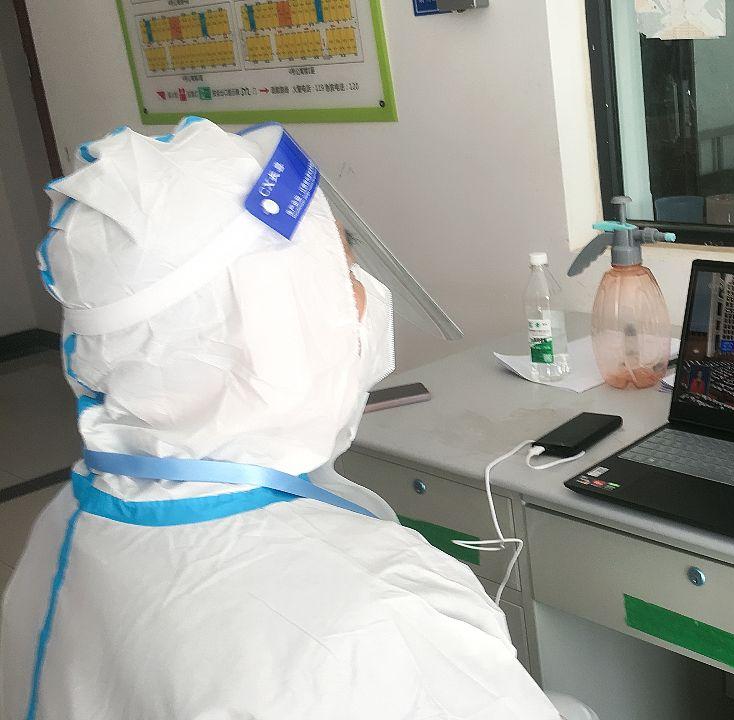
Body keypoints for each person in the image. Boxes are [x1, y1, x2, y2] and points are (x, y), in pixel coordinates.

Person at [1, 118, 560, 719]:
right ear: (275, 324)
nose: (369, 294)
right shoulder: (382, 616)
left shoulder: (74, 515)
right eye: (344, 269)